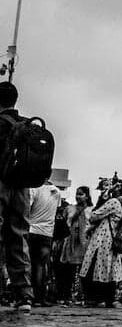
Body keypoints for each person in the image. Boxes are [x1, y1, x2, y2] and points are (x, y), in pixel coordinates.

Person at [0, 82, 37, 310]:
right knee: (18, 237)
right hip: (22, 187)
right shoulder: (26, 125)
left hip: (1, 183)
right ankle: (24, 294)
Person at [80, 177, 122, 307]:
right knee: (110, 269)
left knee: (97, 267)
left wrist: (104, 197)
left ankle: (98, 298)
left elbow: (94, 215)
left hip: (104, 238)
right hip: (113, 239)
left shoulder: (113, 201)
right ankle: (110, 298)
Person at [25, 178, 62, 306]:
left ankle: (27, 296)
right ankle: (40, 298)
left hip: (32, 230)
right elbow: (56, 210)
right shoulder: (56, 191)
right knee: (41, 266)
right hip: (47, 233)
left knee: (28, 264)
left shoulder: (34, 189)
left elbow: (27, 208)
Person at [57, 185, 91, 304]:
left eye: (81, 194)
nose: (78, 196)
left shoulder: (91, 210)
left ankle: (83, 295)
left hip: (84, 242)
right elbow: (64, 224)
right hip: (69, 241)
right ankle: (66, 295)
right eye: (77, 194)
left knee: (84, 270)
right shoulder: (69, 209)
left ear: (87, 196)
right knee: (67, 270)